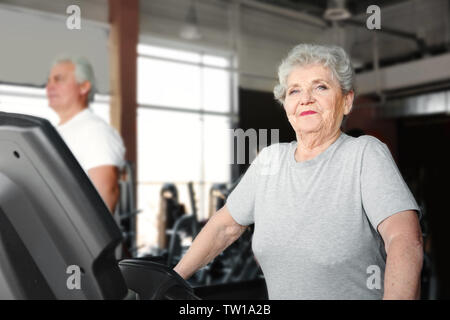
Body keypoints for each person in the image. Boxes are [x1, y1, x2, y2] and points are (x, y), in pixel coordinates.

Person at [173, 44, 423, 300]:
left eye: (320, 87)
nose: (306, 98)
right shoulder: (269, 160)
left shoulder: (364, 155)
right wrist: (172, 279)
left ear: (347, 101)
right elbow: (224, 228)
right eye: (295, 91)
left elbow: (404, 239)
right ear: (286, 106)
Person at [46, 56, 125, 214]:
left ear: (84, 87)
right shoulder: (54, 131)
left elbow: (107, 193)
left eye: (58, 79)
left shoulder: (95, 130)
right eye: (48, 81)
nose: (49, 87)